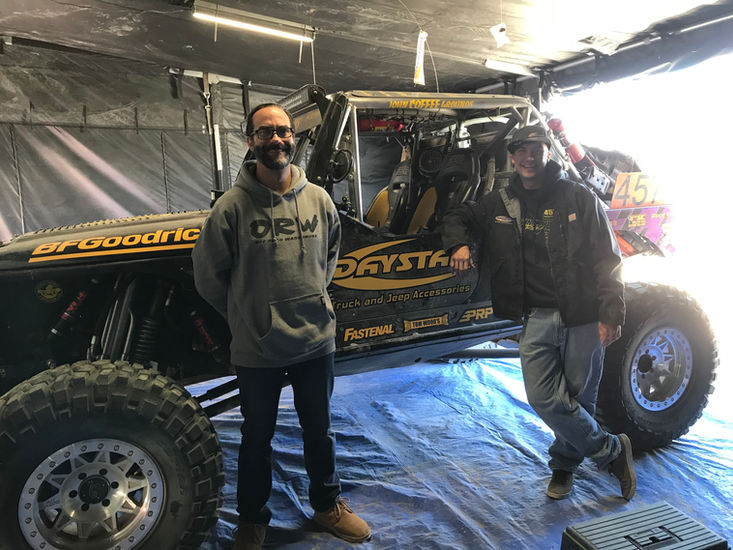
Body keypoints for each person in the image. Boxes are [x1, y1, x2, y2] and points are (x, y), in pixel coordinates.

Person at [192, 103, 371, 549]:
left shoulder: (319, 200)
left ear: (293, 137)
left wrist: (313, 299)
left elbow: (330, 257)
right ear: (250, 141)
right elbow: (209, 277)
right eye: (265, 132)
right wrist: (247, 317)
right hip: (258, 347)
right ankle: (252, 519)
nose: (276, 139)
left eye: (283, 131)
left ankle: (327, 505)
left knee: (319, 430)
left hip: (315, 340)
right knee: (257, 436)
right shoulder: (231, 209)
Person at [439, 124, 636, 501]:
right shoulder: (498, 202)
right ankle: (612, 451)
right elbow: (458, 216)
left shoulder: (579, 197)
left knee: (578, 398)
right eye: (522, 151)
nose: (529, 157)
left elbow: (607, 259)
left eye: (536, 150)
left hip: (582, 314)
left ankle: (563, 467)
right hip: (535, 315)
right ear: (512, 157)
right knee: (544, 398)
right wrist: (457, 245)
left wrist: (611, 312)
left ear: (549, 153)